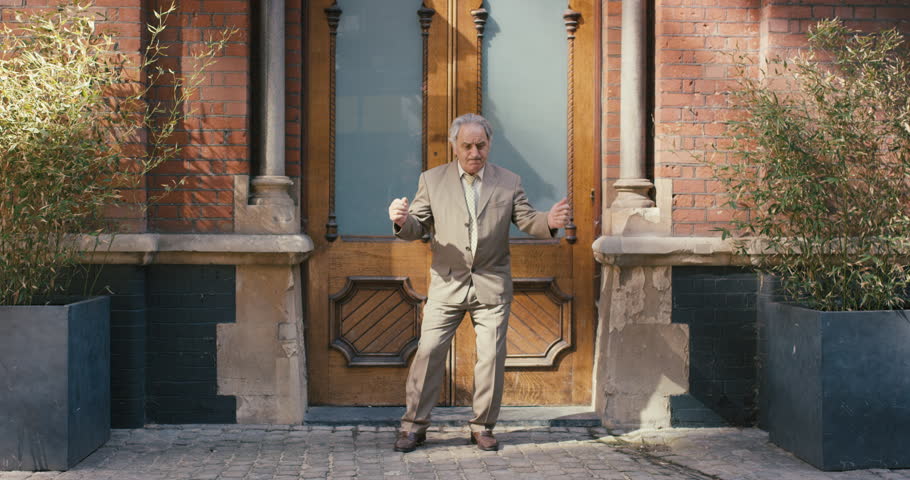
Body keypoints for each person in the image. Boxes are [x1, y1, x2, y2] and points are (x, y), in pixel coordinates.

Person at [387, 113, 571, 452]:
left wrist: (549, 220)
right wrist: (401, 220)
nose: (475, 153)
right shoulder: (432, 180)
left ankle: (483, 426)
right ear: (455, 146)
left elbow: (527, 219)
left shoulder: (508, 181)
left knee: (490, 358)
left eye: (481, 145)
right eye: (467, 146)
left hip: (492, 285)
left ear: (489, 145)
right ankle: (413, 427)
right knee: (428, 355)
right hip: (447, 284)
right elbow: (418, 226)